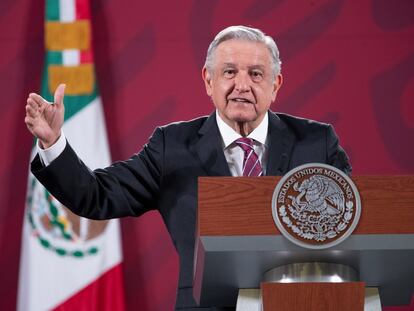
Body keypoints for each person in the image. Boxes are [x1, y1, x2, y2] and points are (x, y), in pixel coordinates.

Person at [25, 25, 351, 310]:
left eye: (255, 73)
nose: (242, 85)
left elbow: (353, 228)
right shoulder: (172, 146)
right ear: (208, 81)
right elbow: (96, 196)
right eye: (229, 72)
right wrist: (54, 143)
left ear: (275, 84)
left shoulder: (316, 142)